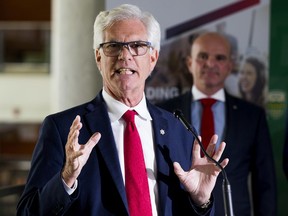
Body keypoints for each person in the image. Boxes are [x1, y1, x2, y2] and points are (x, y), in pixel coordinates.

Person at [16, 5, 229, 216]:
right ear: (99, 57)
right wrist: (66, 179)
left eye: (137, 46)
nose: (125, 56)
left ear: (153, 58)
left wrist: (201, 202)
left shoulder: (178, 130)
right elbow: (28, 212)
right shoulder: (62, 128)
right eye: (113, 46)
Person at [158, 32, 277, 216]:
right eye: (203, 56)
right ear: (190, 62)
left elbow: (265, 184)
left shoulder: (252, 116)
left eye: (219, 58)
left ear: (230, 66)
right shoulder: (164, 112)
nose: (210, 64)